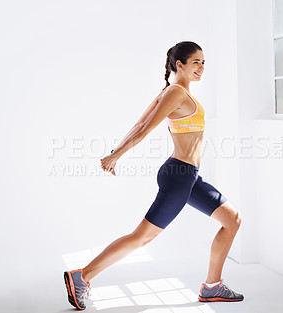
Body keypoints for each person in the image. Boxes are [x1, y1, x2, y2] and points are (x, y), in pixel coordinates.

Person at [63, 41, 243, 310]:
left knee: (231, 220)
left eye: (204, 62)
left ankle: (212, 286)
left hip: (189, 176)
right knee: (142, 237)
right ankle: (82, 276)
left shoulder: (175, 92)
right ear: (179, 65)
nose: (201, 68)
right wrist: (116, 155)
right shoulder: (176, 93)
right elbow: (144, 128)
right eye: (196, 62)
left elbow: (138, 124)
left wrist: (115, 151)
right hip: (179, 176)